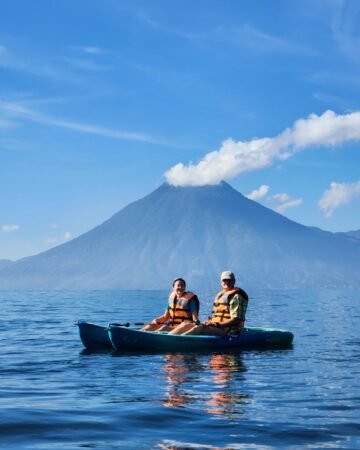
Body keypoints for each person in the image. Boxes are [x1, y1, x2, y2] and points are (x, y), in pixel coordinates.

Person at [175, 271, 248, 336]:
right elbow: (215, 316)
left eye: (229, 280)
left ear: (234, 281)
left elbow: (236, 319)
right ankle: (169, 337)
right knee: (185, 324)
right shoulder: (222, 294)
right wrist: (210, 322)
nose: (226, 282)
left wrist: (216, 324)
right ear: (221, 282)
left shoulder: (236, 296)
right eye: (224, 280)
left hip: (230, 331)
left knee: (201, 328)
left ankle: (177, 341)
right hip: (218, 327)